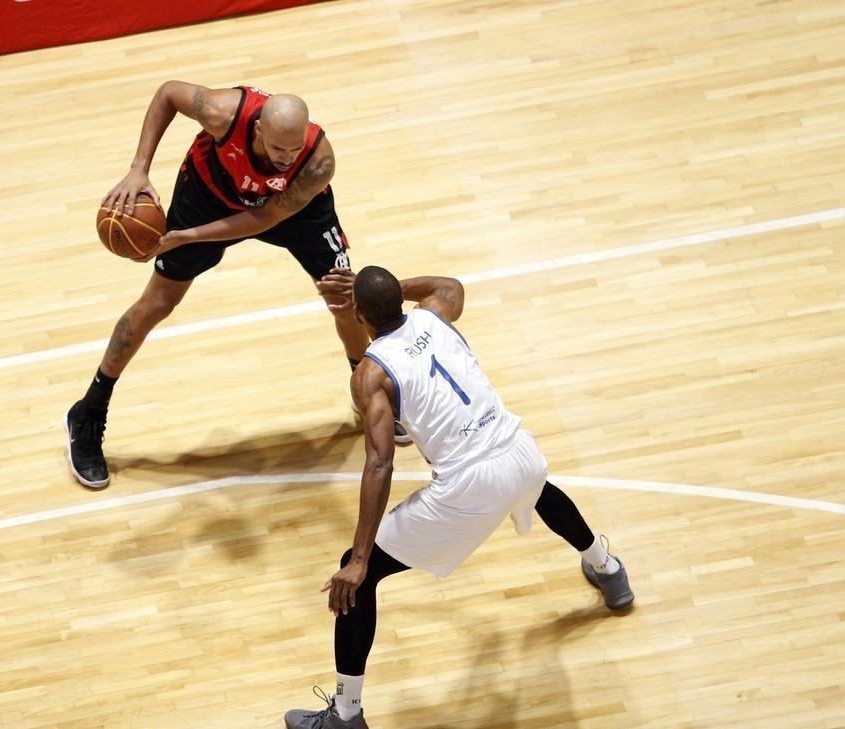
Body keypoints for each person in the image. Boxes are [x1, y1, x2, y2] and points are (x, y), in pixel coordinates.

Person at [285, 266, 634, 729]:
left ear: (358, 314)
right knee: (536, 489)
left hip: (468, 487)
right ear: (399, 301)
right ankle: (607, 569)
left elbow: (380, 463)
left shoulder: (371, 374)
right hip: (519, 450)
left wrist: (360, 558)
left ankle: (346, 713)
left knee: (359, 574)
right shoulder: (434, 316)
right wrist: (377, 293)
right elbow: (448, 285)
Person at [64, 81, 408, 489]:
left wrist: (188, 236)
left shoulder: (316, 163)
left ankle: (366, 389)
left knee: (343, 295)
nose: (286, 158)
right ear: (259, 128)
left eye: (294, 149)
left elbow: (264, 218)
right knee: (158, 302)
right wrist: (139, 168)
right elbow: (167, 95)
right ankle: (88, 412)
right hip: (209, 192)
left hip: (288, 209)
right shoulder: (223, 112)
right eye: (279, 149)